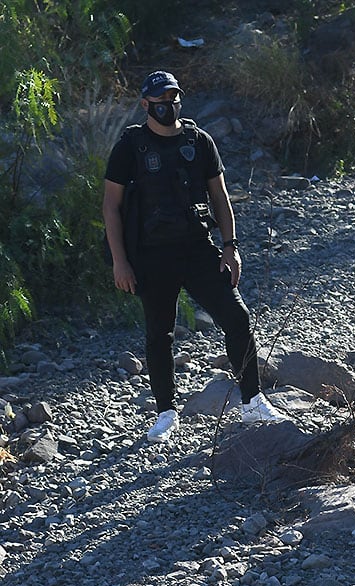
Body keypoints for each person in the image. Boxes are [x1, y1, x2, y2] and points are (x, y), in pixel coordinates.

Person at [102, 70, 285, 444]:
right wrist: (120, 261)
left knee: (237, 317)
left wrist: (231, 247)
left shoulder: (199, 142)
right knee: (159, 333)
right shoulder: (130, 147)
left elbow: (220, 197)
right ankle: (166, 412)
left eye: (173, 99)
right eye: (159, 101)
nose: (167, 106)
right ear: (145, 105)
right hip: (151, 256)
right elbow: (111, 207)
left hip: (199, 249)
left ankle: (252, 400)